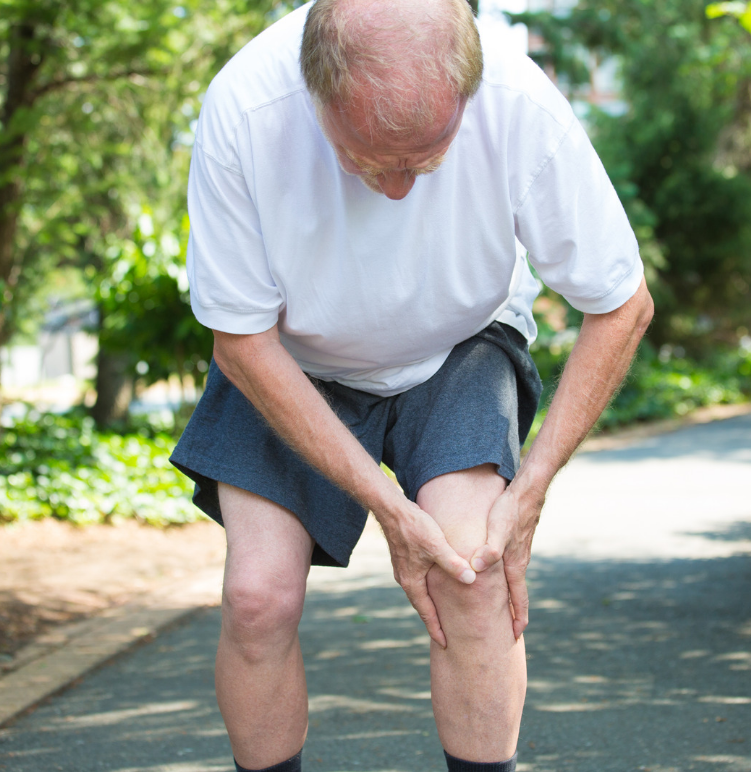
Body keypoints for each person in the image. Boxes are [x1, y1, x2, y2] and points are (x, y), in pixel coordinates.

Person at [170, 0, 654, 770]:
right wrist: (387, 506)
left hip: (459, 343)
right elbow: (242, 341)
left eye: (425, 161)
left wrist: (530, 487)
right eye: (367, 160)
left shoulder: (519, 103)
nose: (396, 192)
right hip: (291, 361)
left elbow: (621, 303)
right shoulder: (246, 107)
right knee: (258, 601)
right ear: (315, 92)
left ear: (467, 91)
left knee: (472, 576)